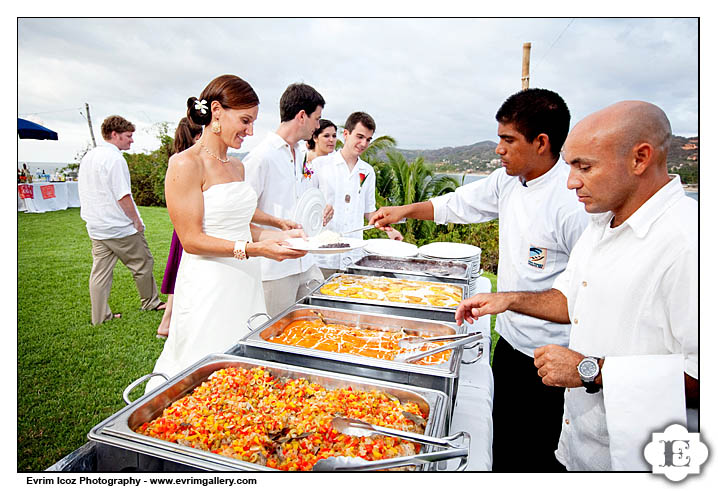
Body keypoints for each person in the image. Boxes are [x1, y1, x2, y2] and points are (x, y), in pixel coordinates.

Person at [455, 101, 698, 471]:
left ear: (640, 158)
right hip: (582, 445)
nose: (570, 181)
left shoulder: (688, 243)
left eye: (584, 166)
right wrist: (506, 299)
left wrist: (592, 370)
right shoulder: (601, 224)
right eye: (570, 166)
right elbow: (570, 300)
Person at [370, 88, 588, 471]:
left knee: (538, 454)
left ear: (541, 143)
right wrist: (403, 211)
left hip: (554, 358)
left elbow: (584, 299)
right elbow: (457, 204)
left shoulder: (572, 204)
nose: (499, 150)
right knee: (500, 441)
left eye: (508, 140)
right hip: (509, 342)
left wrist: (509, 299)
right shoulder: (509, 180)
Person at [147, 75, 307, 391]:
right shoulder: (185, 164)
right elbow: (190, 240)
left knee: (243, 364)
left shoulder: (237, 167)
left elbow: (241, 226)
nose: (250, 131)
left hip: (245, 280)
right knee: (204, 367)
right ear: (217, 111)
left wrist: (279, 238)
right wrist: (255, 250)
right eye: (245, 121)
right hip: (209, 282)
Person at [244, 82, 332, 316]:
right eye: (317, 118)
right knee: (276, 333)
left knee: (316, 322)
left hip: (306, 259)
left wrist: (321, 209)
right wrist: (278, 223)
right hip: (275, 266)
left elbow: (300, 198)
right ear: (302, 116)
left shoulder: (303, 155)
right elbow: (242, 211)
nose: (318, 125)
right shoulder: (260, 157)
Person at [78, 115, 166, 325]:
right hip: (119, 228)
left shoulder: (89, 157)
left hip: (97, 227)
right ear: (114, 134)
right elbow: (123, 196)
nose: (131, 140)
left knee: (100, 273)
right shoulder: (115, 159)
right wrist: (136, 221)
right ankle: (150, 302)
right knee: (143, 263)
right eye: (128, 136)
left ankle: (99, 317)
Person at [313, 111, 403, 278]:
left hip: (353, 257)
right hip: (323, 256)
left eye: (368, 139)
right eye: (360, 137)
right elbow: (306, 204)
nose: (364, 143)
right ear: (346, 134)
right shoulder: (319, 165)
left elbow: (369, 211)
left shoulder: (368, 171)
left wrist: (389, 229)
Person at [156, 117, 203, 339]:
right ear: (194, 137)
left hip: (184, 224)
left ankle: (169, 321)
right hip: (187, 225)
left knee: (181, 274)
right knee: (181, 274)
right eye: (199, 135)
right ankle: (167, 322)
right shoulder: (183, 161)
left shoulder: (180, 158)